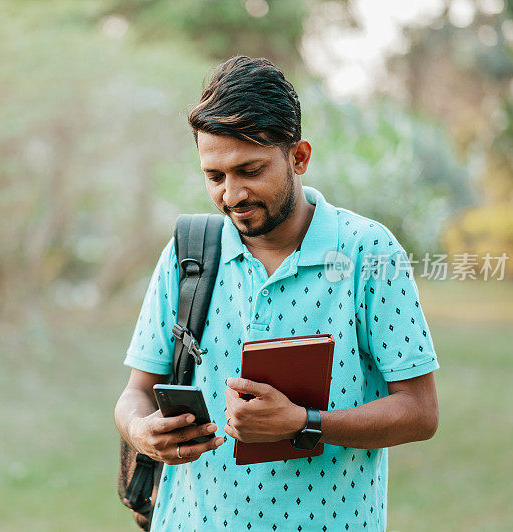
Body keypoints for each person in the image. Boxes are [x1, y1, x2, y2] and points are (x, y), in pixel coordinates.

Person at [113, 56, 439, 531]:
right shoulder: (188, 253)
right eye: (215, 176)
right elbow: (135, 393)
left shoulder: (368, 251)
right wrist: (144, 432)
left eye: (250, 170)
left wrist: (304, 423)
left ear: (299, 157)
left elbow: (419, 411)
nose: (231, 194)